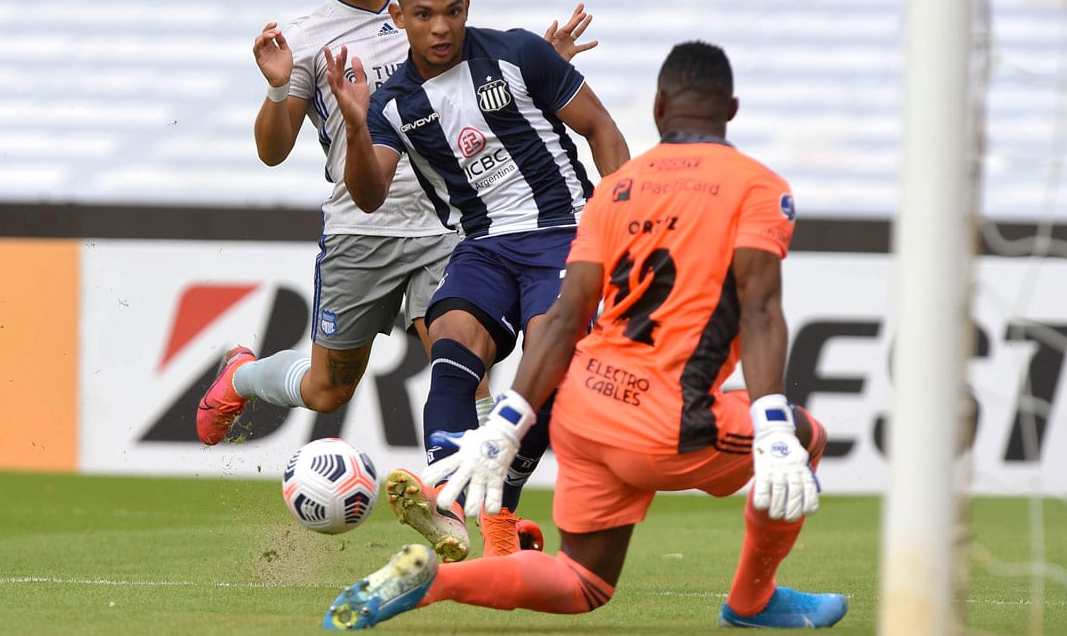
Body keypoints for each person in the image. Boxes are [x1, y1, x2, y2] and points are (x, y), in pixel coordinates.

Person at [320, 41, 850, 630]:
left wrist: (506, 422)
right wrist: (773, 422)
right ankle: (752, 602)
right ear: (731, 108)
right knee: (805, 435)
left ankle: (432, 582)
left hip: (587, 409)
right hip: (667, 420)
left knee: (581, 581)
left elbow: (569, 317)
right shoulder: (756, 186)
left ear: (658, 106)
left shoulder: (617, 190)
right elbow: (760, 308)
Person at [193, 0, 595, 555]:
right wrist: (274, 91)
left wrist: (543, 67)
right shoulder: (304, 37)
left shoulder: (426, 17)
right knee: (329, 385)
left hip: (447, 224)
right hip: (362, 227)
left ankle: (476, 520)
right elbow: (271, 149)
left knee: (465, 364)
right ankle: (242, 376)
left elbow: (489, 82)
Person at [324, 0, 630, 562]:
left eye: (453, 11)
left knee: (552, 369)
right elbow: (370, 192)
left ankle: (503, 501)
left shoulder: (520, 54)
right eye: (424, 15)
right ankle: (447, 502)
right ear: (399, 16)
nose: (441, 28)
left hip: (563, 235)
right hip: (484, 246)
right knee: (452, 340)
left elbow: (603, 130)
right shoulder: (391, 105)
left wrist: (616, 228)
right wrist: (355, 127)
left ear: (467, 4)